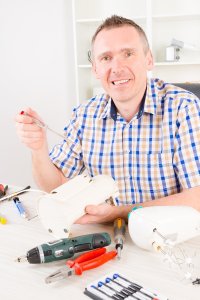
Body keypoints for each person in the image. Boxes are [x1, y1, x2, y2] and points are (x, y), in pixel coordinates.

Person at [15, 15, 200, 224]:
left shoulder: (183, 107)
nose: (117, 68)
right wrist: (38, 148)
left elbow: (196, 199)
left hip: (168, 234)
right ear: (95, 69)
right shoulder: (85, 114)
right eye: (106, 58)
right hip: (107, 235)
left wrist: (118, 213)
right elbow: (55, 186)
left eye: (128, 54)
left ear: (149, 60)